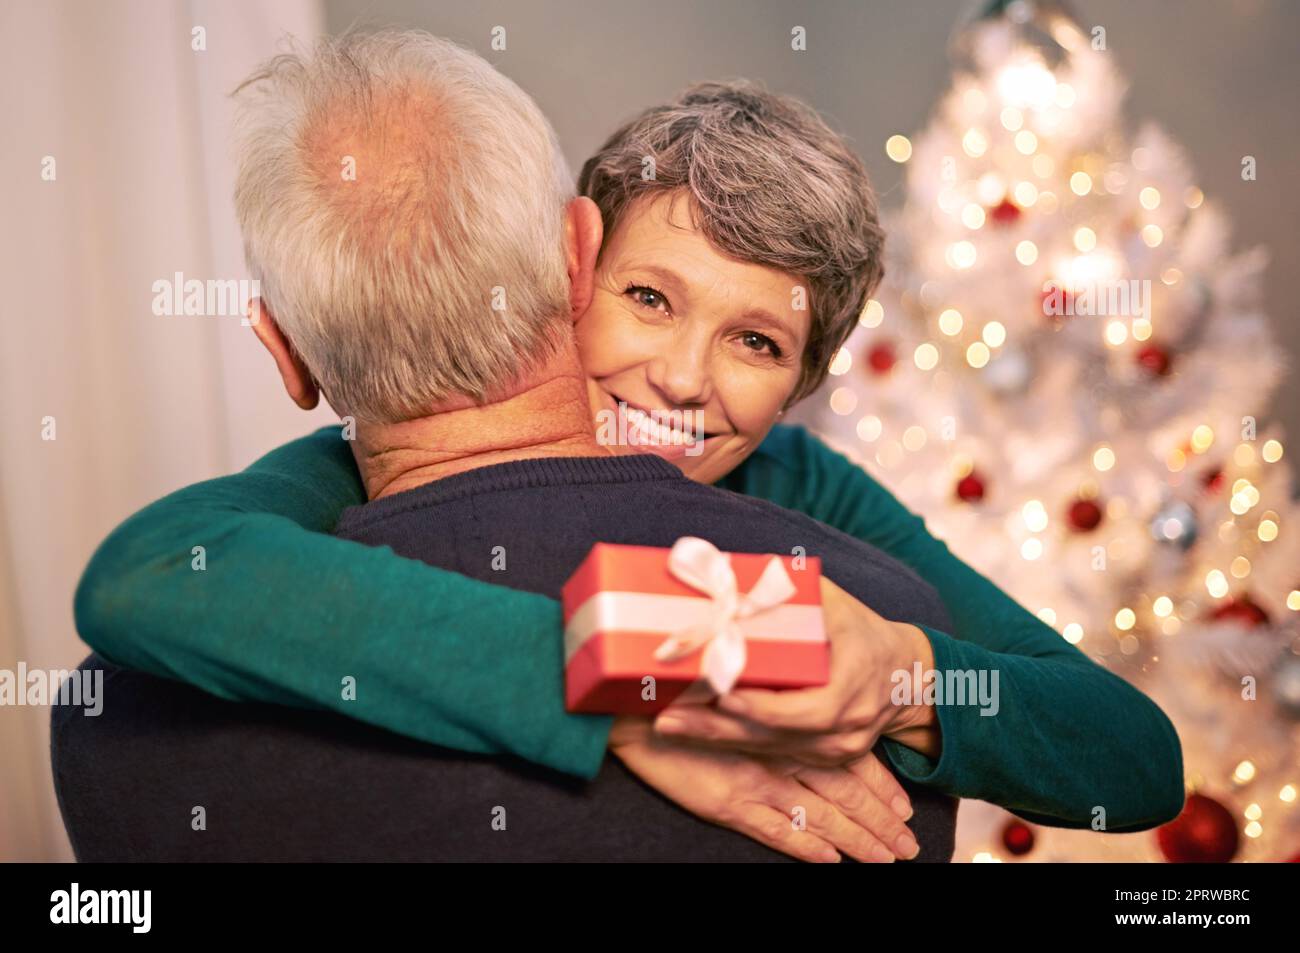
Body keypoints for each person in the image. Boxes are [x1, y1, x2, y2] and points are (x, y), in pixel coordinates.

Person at [72, 29, 1185, 857]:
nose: (683, 376)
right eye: (649, 298)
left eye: (754, 339)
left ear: (804, 382)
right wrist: (614, 694)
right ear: (573, 271)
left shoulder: (806, 491)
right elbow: (145, 575)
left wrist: (897, 673)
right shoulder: (358, 467)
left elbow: (1133, 753)